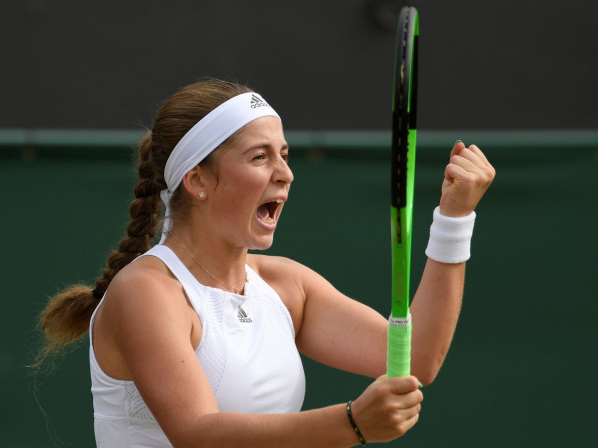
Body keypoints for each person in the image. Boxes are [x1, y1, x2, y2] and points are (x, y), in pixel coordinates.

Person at [37, 78, 495, 447]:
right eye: (260, 157)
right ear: (198, 181)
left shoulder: (285, 285)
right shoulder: (147, 291)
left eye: (284, 154)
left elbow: (414, 360)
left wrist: (455, 218)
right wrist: (352, 423)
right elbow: (197, 434)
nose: (286, 173)